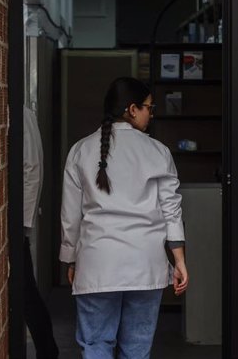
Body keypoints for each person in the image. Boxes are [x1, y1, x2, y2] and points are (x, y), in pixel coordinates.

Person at [59, 77, 188, 359]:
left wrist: (70, 258)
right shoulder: (158, 152)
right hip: (146, 264)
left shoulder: (81, 150)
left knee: (95, 346)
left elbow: (70, 215)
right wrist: (178, 260)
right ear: (132, 109)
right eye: (148, 109)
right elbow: (171, 209)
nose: (150, 115)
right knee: (137, 350)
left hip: (97, 262)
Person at [23, 105, 59, 359]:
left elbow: (32, 169)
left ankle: (47, 351)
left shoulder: (22, 113)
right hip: (7, 223)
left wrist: (23, 224)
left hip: (13, 226)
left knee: (26, 291)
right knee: (25, 291)